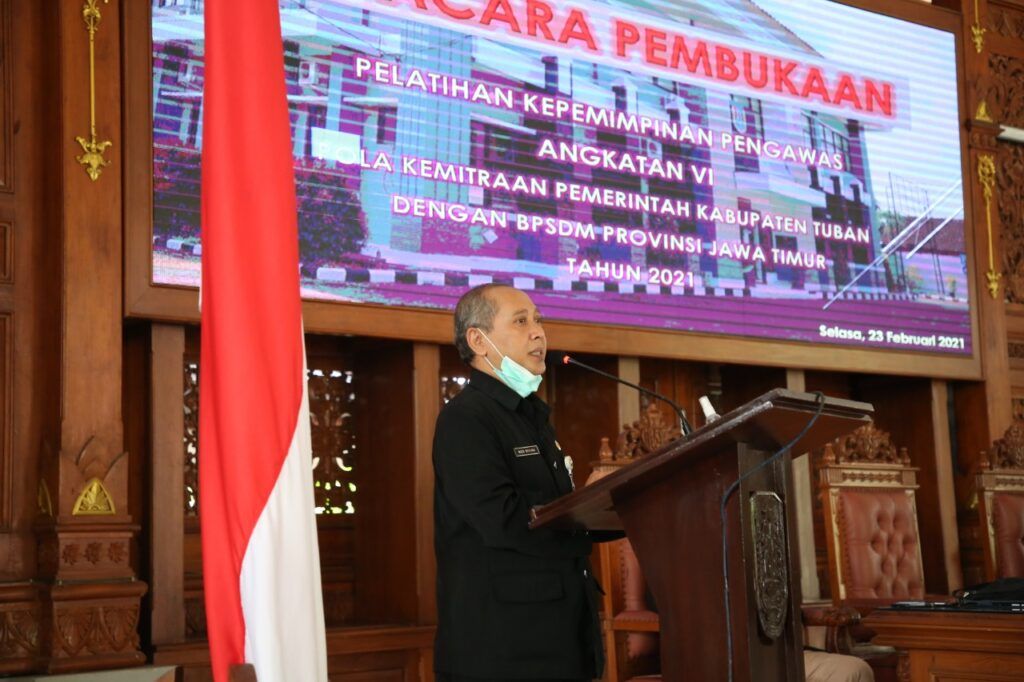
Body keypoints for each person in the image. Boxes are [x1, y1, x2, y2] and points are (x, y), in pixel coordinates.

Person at [433, 284, 615, 682]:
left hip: (562, 638)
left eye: (538, 320)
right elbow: (501, 519)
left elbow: (552, 507)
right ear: (478, 340)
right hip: (504, 649)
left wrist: (612, 502)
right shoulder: (466, 420)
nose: (538, 332)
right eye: (520, 321)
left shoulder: (531, 415)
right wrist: (587, 515)